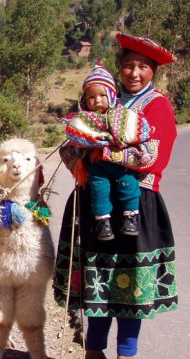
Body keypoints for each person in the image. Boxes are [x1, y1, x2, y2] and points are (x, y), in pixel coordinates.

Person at [53, 32, 178, 359]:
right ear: (118, 69)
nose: (134, 73)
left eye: (142, 67)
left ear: (153, 72)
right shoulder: (102, 99)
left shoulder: (157, 105)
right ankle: (93, 351)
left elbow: (154, 158)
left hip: (137, 204)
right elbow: (70, 149)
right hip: (96, 205)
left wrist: (108, 156)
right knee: (97, 279)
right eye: (127, 66)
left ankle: (126, 353)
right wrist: (81, 152)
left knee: (130, 285)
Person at [59, 63, 153, 240]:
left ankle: (130, 218)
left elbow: (136, 131)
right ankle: (103, 223)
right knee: (99, 189)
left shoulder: (124, 115)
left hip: (121, 165)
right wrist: (87, 142)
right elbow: (77, 138)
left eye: (103, 95)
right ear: (85, 99)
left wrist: (124, 139)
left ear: (111, 96)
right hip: (97, 165)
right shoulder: (82, 120)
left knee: (129, 184)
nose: (98, 100)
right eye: (91, 97)